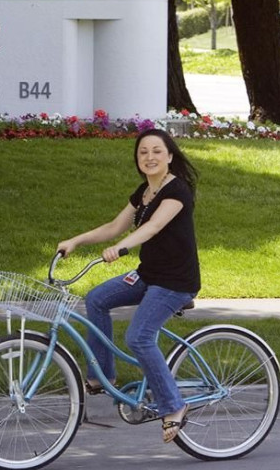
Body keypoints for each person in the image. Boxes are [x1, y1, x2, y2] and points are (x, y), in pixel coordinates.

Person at [57, 128, 200, 444]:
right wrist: (76, 241)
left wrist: (122, 248)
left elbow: (153, 227)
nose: (149, 157)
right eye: (143, 152)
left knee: (139, 336)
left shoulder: (177, 191)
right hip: (148, 275)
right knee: (96, 299)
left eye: (156, 151)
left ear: (170, 157)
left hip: (175, 282)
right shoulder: (144, 191)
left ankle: (174, 406)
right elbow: (114, 226)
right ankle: (102, 376)